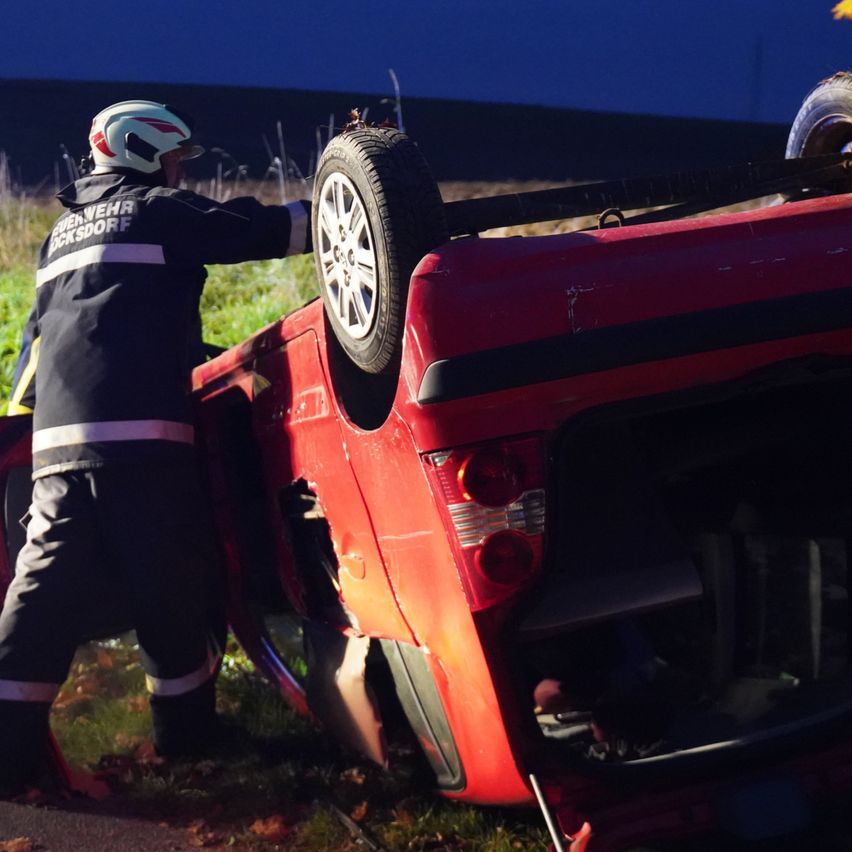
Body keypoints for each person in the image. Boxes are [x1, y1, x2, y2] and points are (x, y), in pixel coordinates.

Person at [0, 99, 312, 793]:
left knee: (40, 595)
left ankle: (6, 752)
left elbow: (36, 345)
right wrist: (358, 206)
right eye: (174, 160)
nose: (178, 173)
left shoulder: (61, 235)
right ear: (143, 152)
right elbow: (258, 229)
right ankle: (187, 735)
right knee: (172, 586)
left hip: (57, 446)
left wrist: (24, 431)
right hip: (143, 438)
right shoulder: (154, 211)